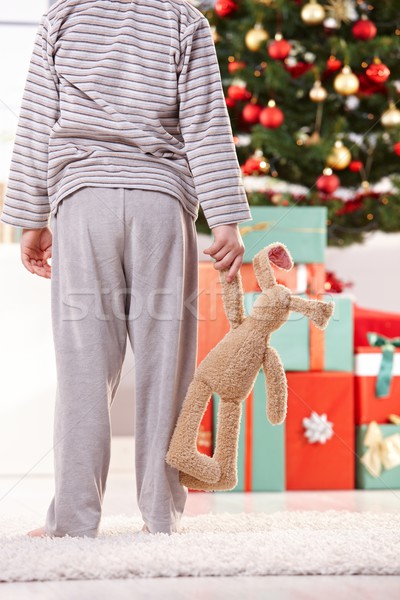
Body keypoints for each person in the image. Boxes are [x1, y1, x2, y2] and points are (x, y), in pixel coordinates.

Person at [0, 0, 252, 537]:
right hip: (160, 205)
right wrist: (226, 219)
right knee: (167, 368)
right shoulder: (184, 20)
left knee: (82, 370)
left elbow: (36, 120)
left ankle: (72, 521)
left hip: (82, 200)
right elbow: (206, 123)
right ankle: (162, 515)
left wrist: (29, 217)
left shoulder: (62, 18)